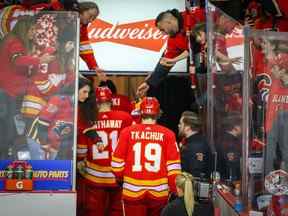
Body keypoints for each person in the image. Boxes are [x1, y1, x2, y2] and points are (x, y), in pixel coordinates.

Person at [111, 97, 181, 216]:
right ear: (158, 113)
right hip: (159, 193)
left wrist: (122, 179)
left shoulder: (126, 132)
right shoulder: (169, 134)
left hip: (132, 191)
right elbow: (174, 168)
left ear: (140, 113)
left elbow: (116, 165)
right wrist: (173, 189)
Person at [0, 15, 55, 159]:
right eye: (31, 30)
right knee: (10, 130)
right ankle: (7, 160)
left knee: (8, 128)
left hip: (8, 92)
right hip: (9, 93)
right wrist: (39, 60)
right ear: (24, 29)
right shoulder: (15, 42)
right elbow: (17, 60)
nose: (33, 33)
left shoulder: (10, 40)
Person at [77, 86, 133, 216]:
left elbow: (82, 149)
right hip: (117, 175)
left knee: (94, 211)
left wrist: (80, 160)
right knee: (117, 211)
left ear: (95, 102)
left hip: (94, 176)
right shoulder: (125, 118)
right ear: (111, 101)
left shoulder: (88, 119)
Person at [136, 7, 205, 97]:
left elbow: (196, 45)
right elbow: (166, 62)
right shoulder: (173, 40)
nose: (163, 33)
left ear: (169, 22)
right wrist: (149, 83)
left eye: (162, 29)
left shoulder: (191, 16)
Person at [76, 77, 98, 216]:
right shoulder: (67, 104)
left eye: (88, 93)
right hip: (66, 156)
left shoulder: (86, 108)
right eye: (83, 92)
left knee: (83, 198)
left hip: (83, 159)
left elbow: (87, 133)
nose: (86, 95)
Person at [178, 111, 211, 178]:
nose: (178, 125)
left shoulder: (197, 145)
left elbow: (196, 175)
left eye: (180, 123)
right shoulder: (190, 142)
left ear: (187, 127)